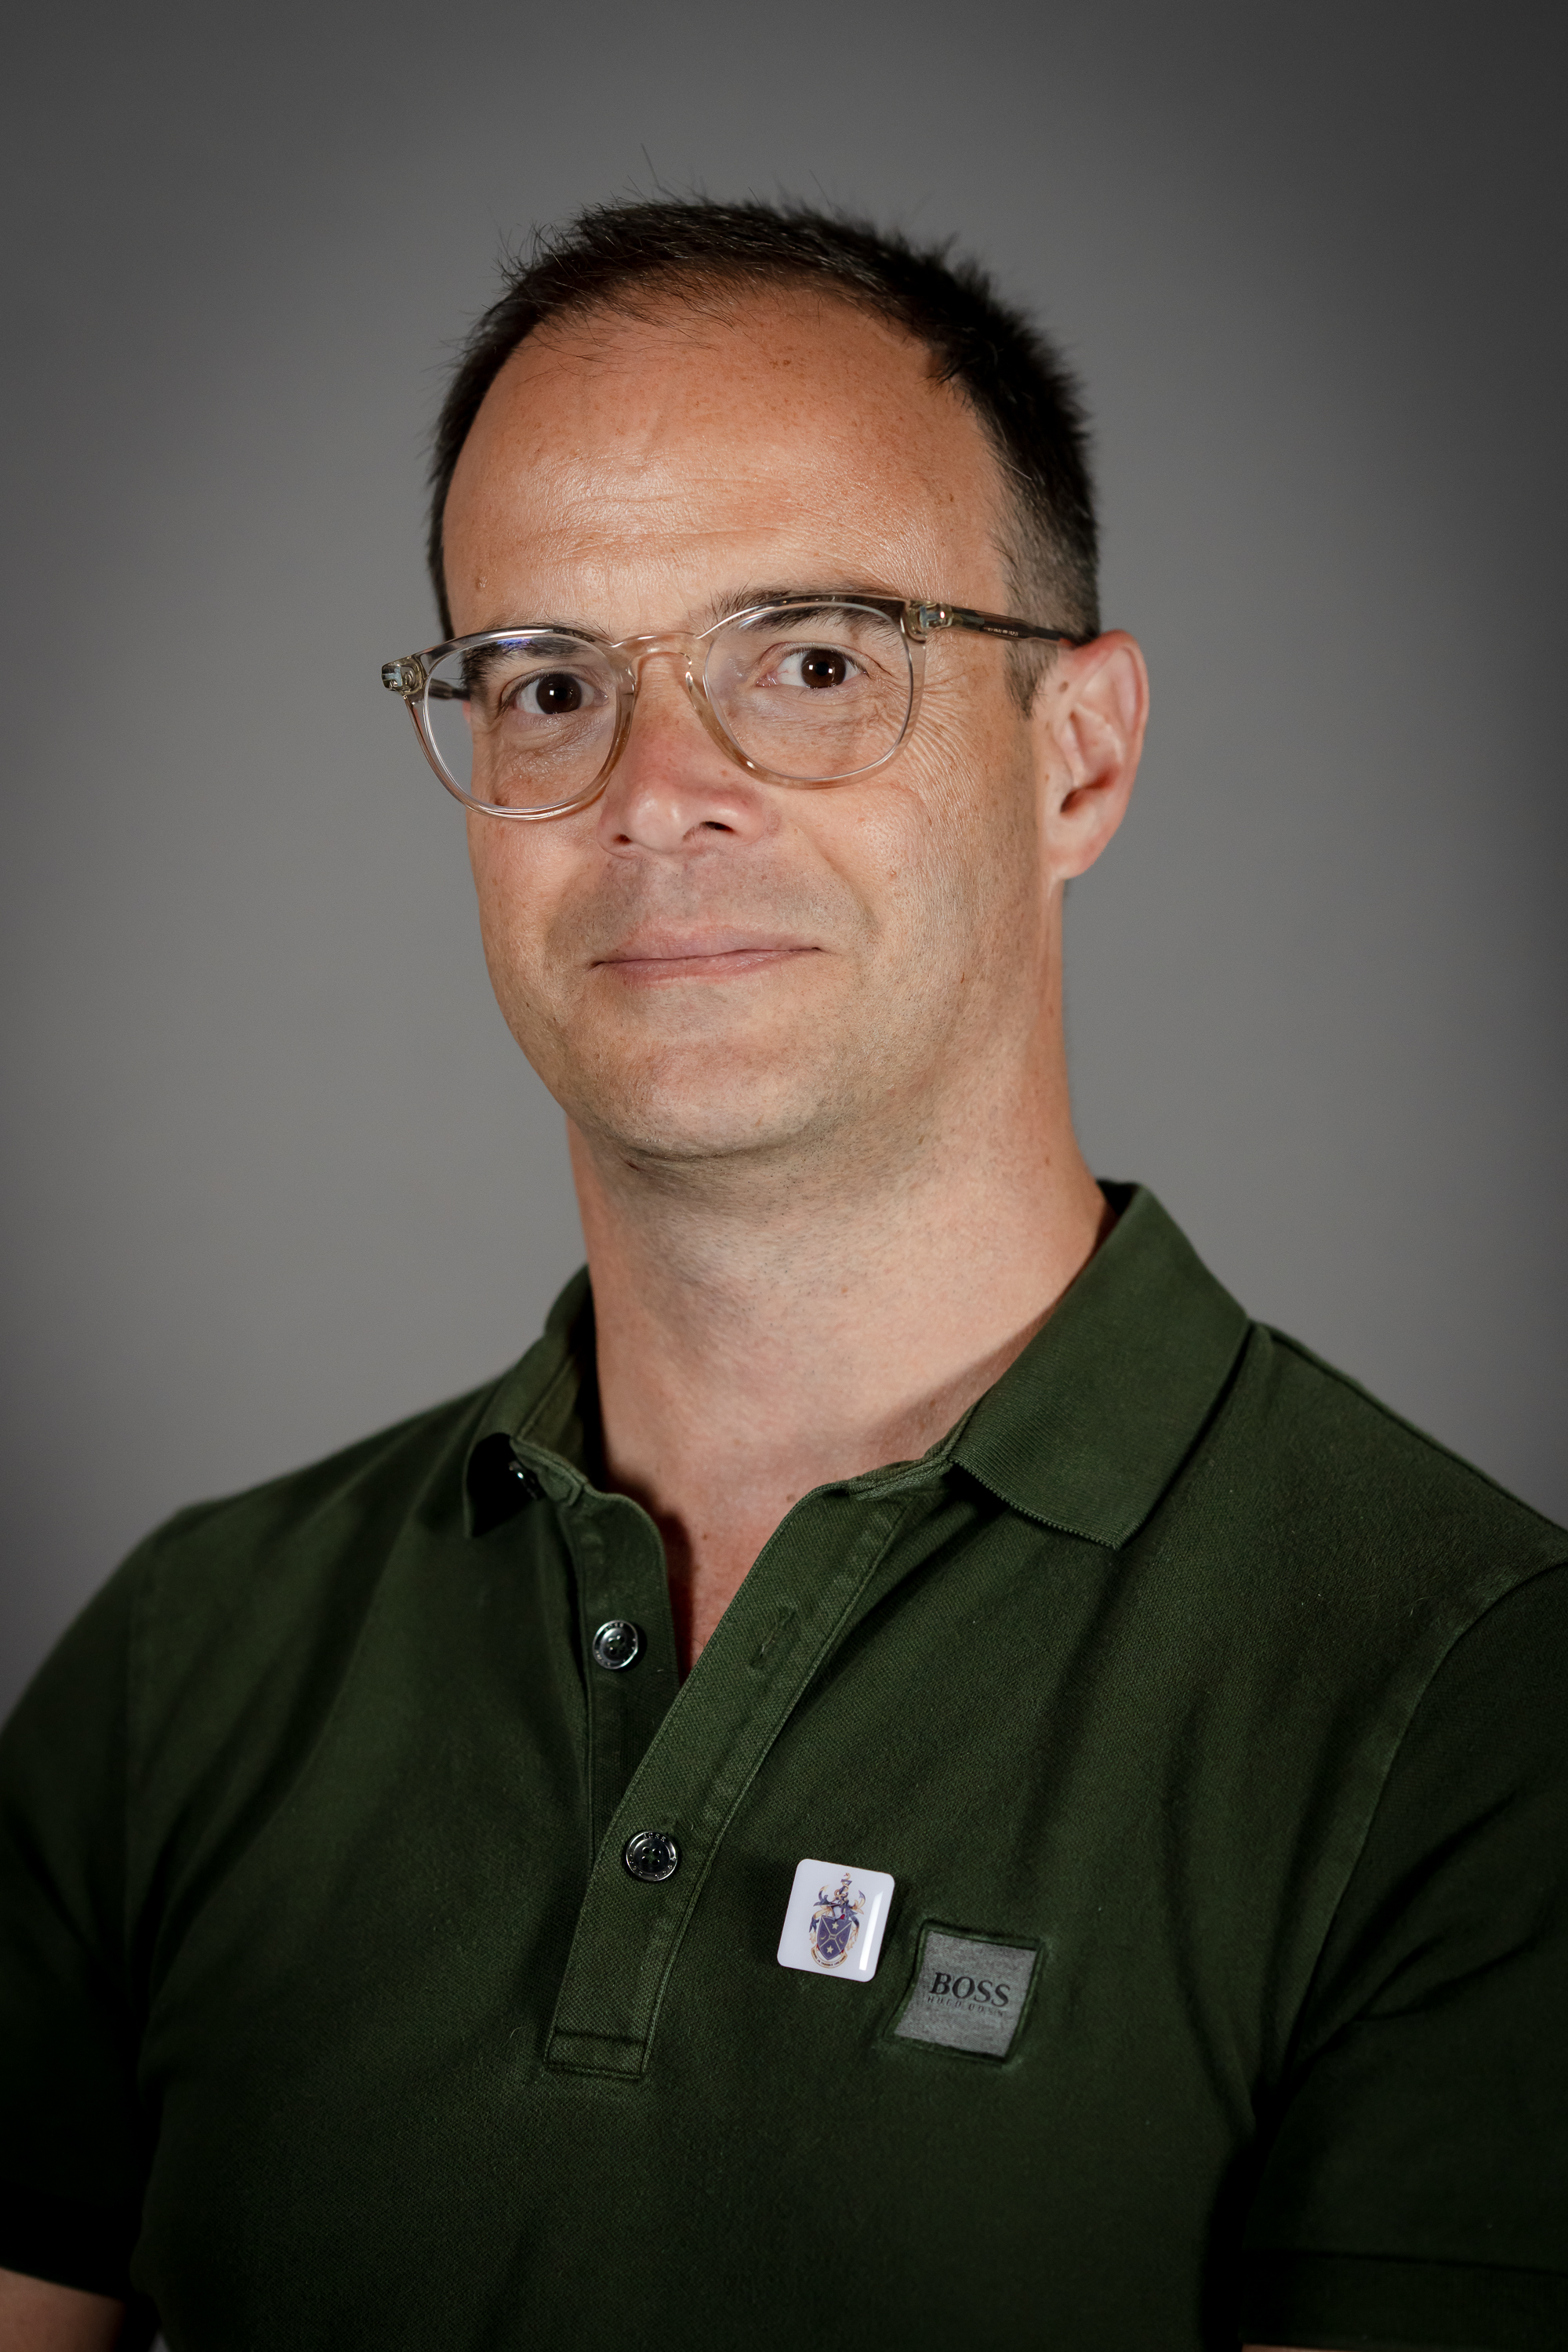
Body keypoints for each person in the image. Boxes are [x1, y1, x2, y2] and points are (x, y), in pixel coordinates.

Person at [1, 198, 1563, 2352]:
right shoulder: (188, 1663)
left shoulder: (1475, 1707)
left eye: (814, 663)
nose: (659, 796)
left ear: (1081, 756)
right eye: (550, 684)